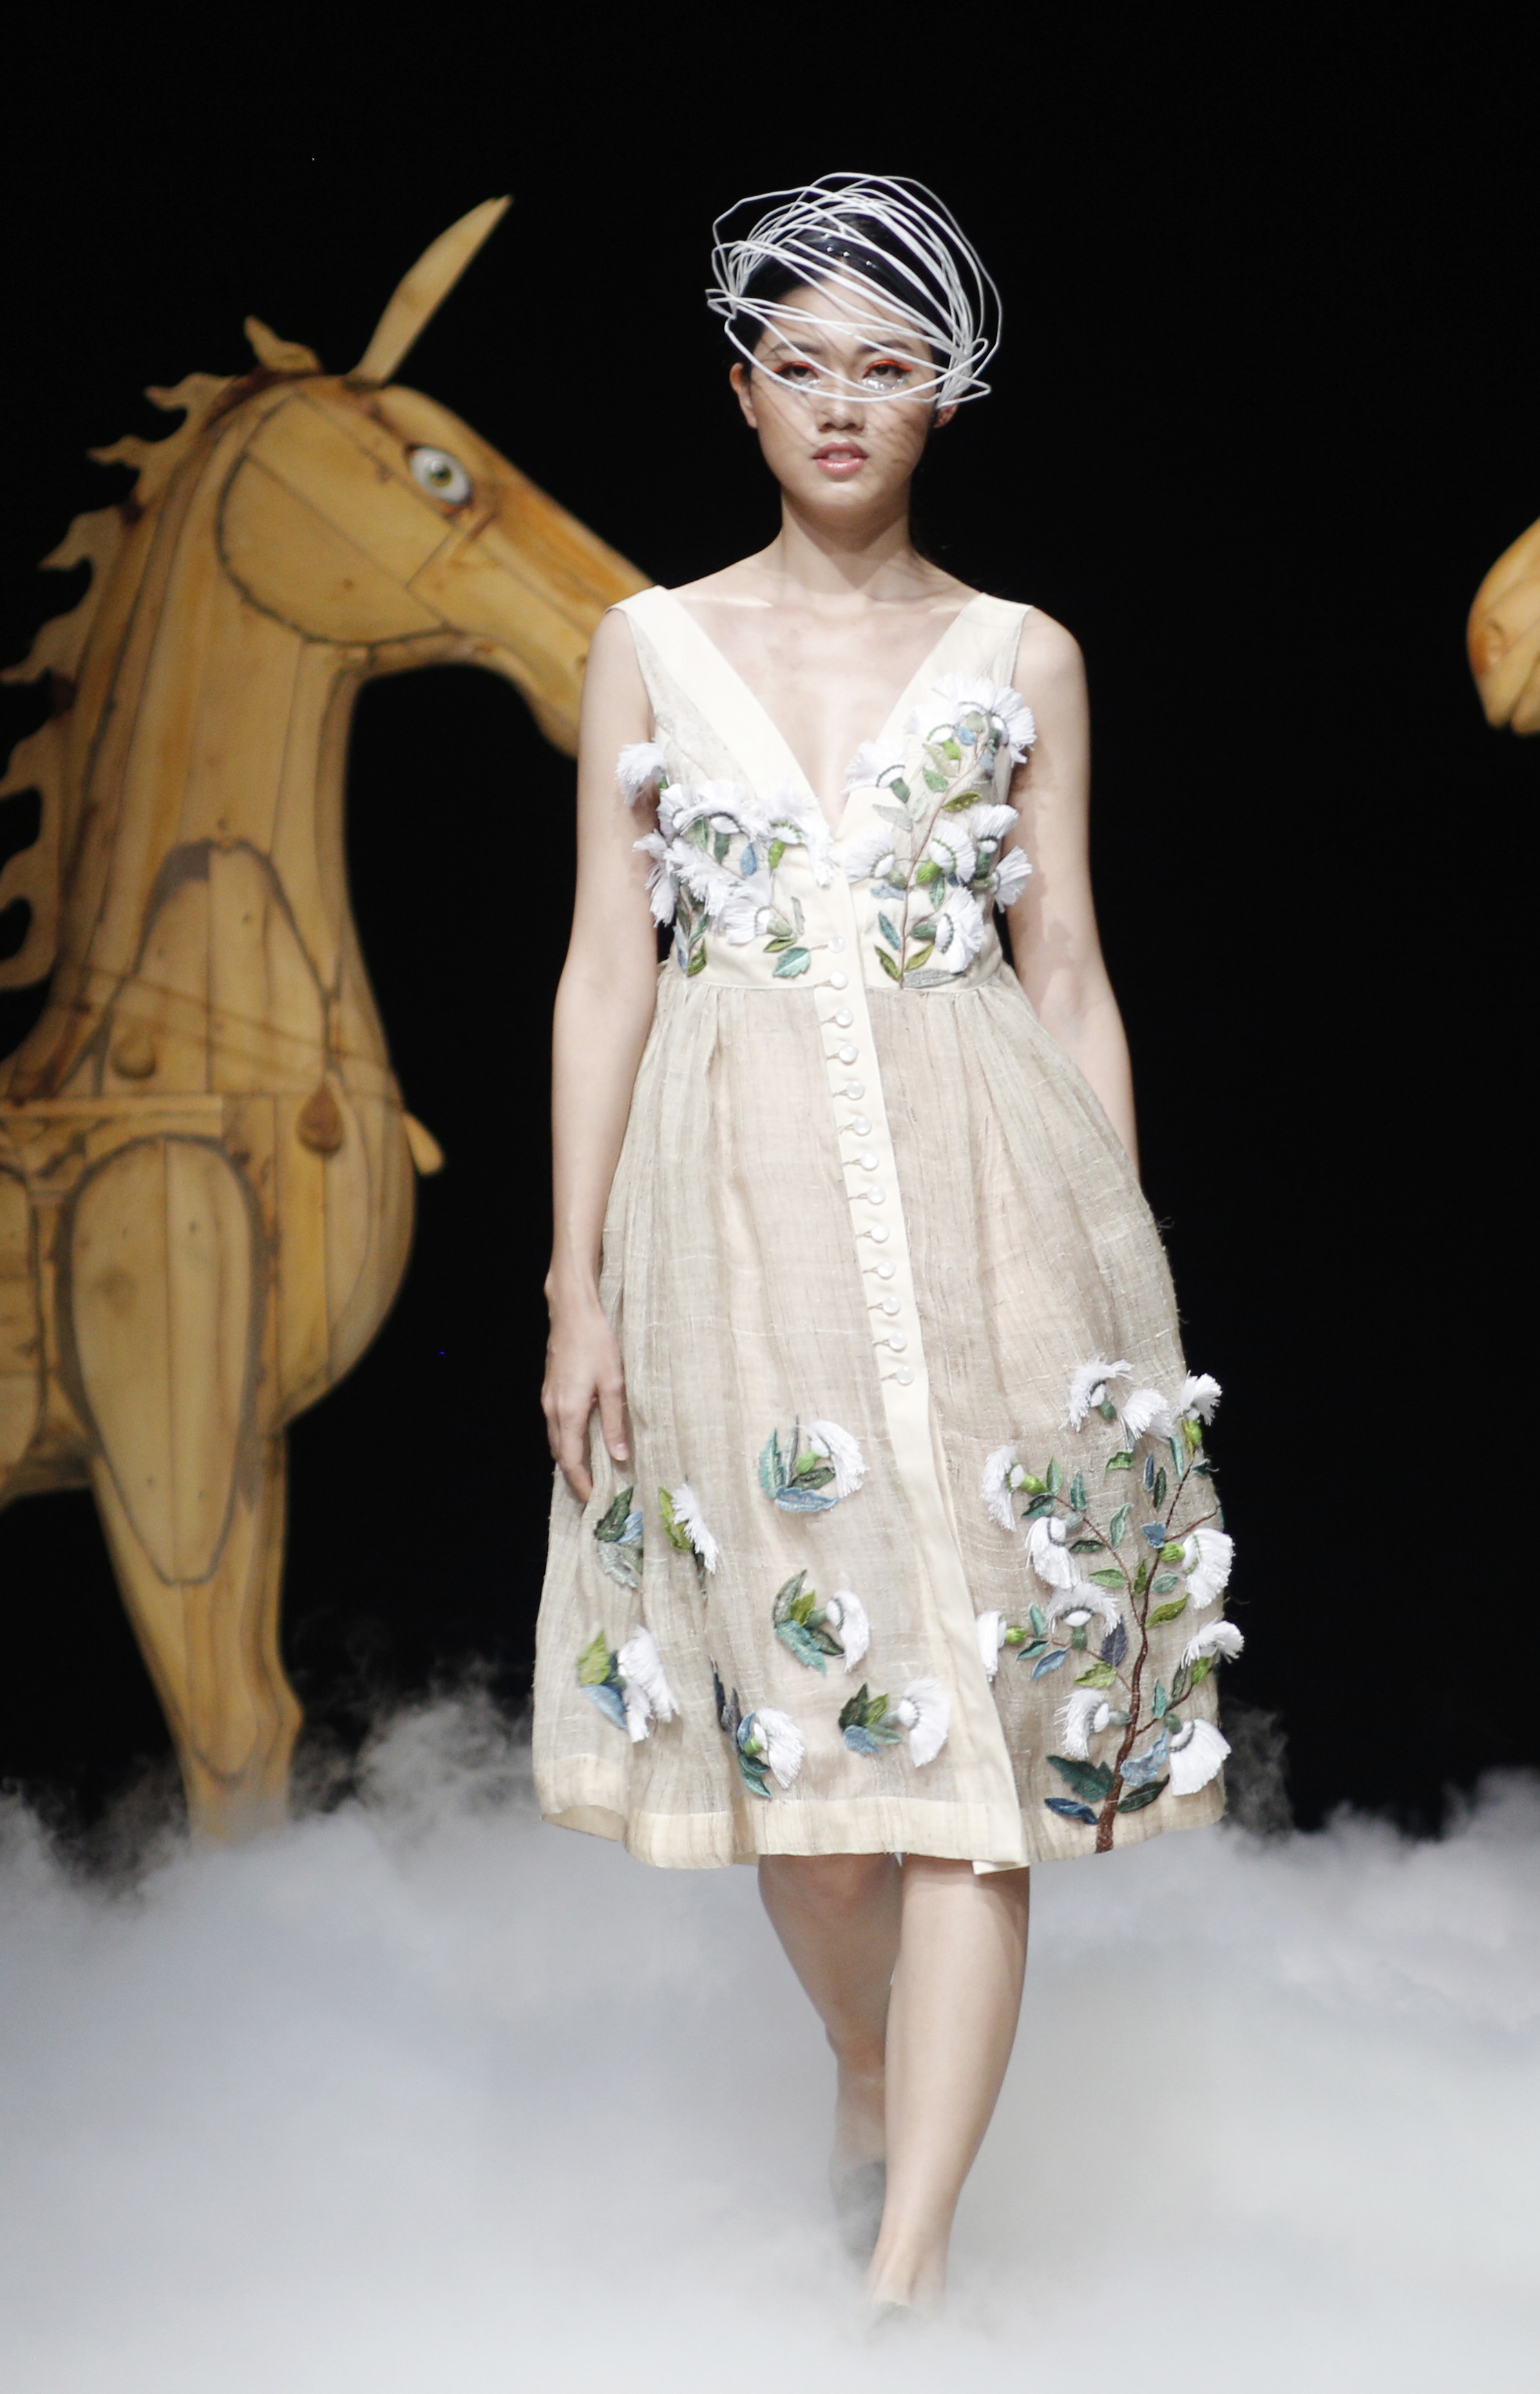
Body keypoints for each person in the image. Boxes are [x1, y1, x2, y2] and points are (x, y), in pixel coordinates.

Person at [533, 174, 1240, 2317]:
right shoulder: (649, 645)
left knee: (977, 1770)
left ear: (950, 397)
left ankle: (904, 2289)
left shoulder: (1024, 654)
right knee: (820, 1796)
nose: (844, 402)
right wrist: (575, 1285)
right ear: (745, 393)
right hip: (732, 1226)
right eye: (804, 363)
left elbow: (1072, 969)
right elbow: (607, 973)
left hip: (991, 1205)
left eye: (890, 365)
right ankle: (864, 2062)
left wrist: (1115, 1285)